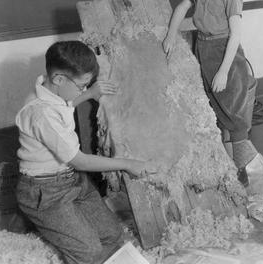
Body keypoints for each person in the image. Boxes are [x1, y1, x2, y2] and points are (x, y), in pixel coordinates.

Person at [15, 40, 157, 264]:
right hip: (45, 192)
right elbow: (80, 161)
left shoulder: (50, 91)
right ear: (59, 78)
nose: (82, 89)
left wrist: (89, 93)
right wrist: (128, 163)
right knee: (89, 252)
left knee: (112, 235)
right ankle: (53, 225)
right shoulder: (40, 113)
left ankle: (69, 229)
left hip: (73, 181)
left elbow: (65, 106)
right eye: (82, 85)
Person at [163, 0, 258, 186]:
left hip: (225, 50)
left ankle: (241, 170)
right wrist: (171, 35)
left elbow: (236, 34)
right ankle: (227, 167)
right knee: (215, 109)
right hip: (203, 46)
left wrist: (224, 71)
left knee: (232, 111)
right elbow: (183, 7)